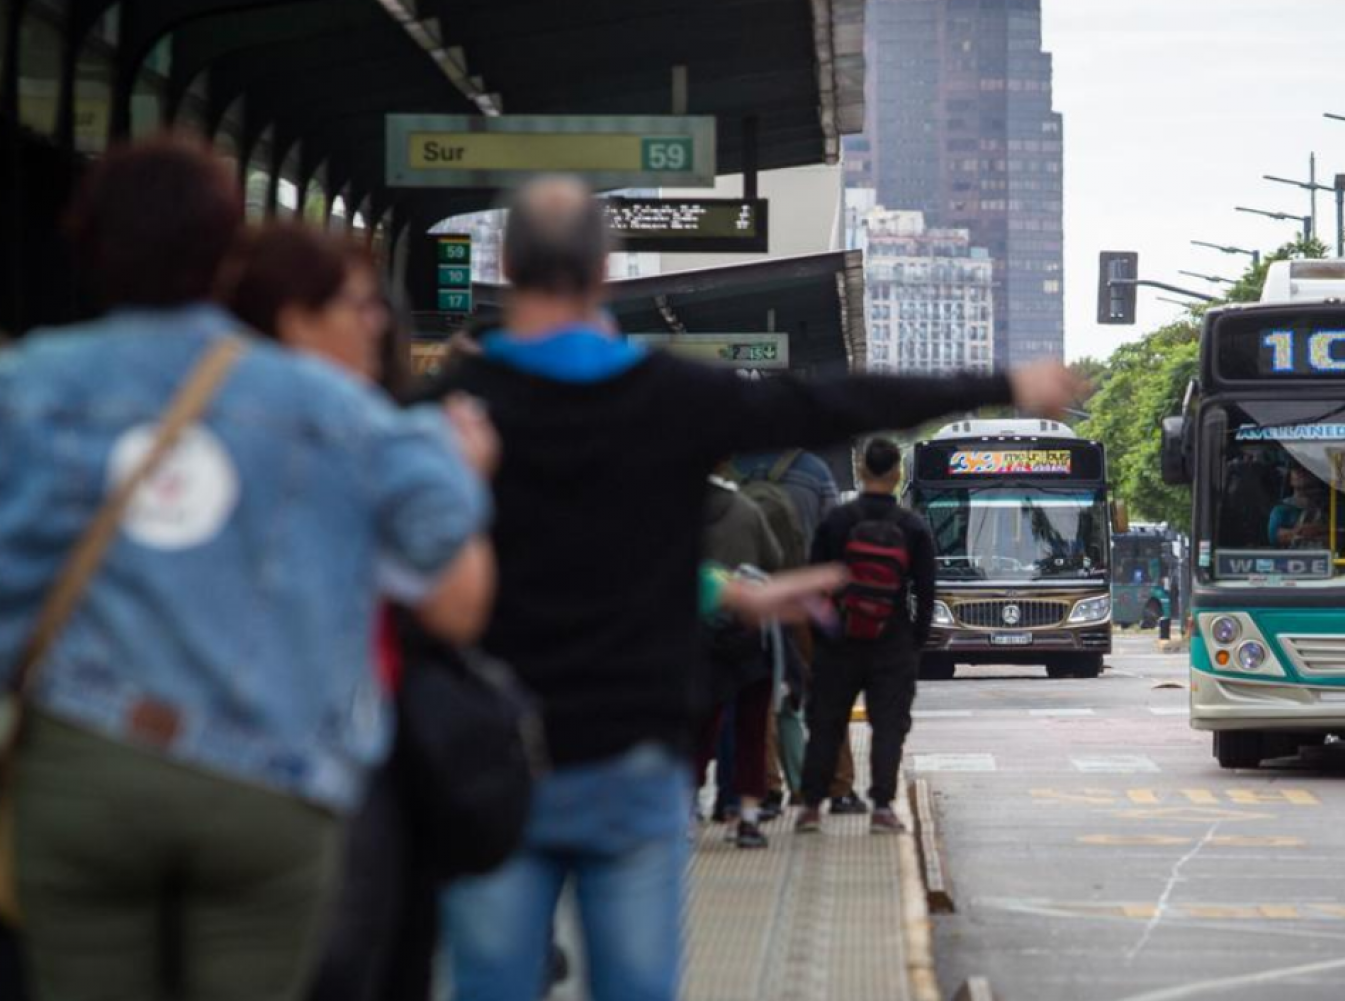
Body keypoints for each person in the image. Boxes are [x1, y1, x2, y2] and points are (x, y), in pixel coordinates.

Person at [430, 175, 1083, 1001]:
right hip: (632, 754)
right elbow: (829, 402)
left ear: (510, 264)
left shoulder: (449, 409)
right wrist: (1003, 383)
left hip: (490, 758)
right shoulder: (668, 396)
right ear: (602, 268)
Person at [0, 135, 492, 1001]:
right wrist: (463, 466)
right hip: (269, 780)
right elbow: (435, 528)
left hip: (84, 767)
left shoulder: (29, 384)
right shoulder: (322, 403)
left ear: (87, 244)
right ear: (226, 253)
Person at [222, 223, 499, 1001]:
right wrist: (466, 481)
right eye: (358, 305)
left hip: (191, 758)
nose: (376, 323)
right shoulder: (380, 438)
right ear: (295, 315)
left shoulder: (189, 421)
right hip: (336, 763)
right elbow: (455, 606)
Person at [795, 438, 938, 835]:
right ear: (896, 474)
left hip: (838, 641)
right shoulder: (911, 526)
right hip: (891, 643)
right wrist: (914, 643)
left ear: (860, 471)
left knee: (827, 723)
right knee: (888, 725)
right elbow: (926, 593)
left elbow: (814, 582)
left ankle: (810, 807)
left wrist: (822, 635)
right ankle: (881, 808)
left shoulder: (837, 521)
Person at [730, 449, 864, 815]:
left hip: (751, 597)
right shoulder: (814, 469)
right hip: (808, 596)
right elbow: (838, 531)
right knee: (828, 689)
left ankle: (765, 789)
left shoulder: (735, 467)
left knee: (760, 694)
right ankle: (838, 788)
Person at [697, 471, 786, 849]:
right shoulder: (748, 510)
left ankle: (686, 813)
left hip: (698, 636)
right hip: (748, 634)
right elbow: (775, 559)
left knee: (698, 729)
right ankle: (746, 817)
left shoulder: (676, 508)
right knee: (750, 730)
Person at [1269, 462, 1331, 548]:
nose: (1301, 473)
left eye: (1306, 469)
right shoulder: (1282, 508)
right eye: (1296, 470)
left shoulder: (1328, 506)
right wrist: (1301, 532)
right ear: (1290, 478)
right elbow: (1274, 537)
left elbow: (1336, 536)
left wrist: (1319, 529)